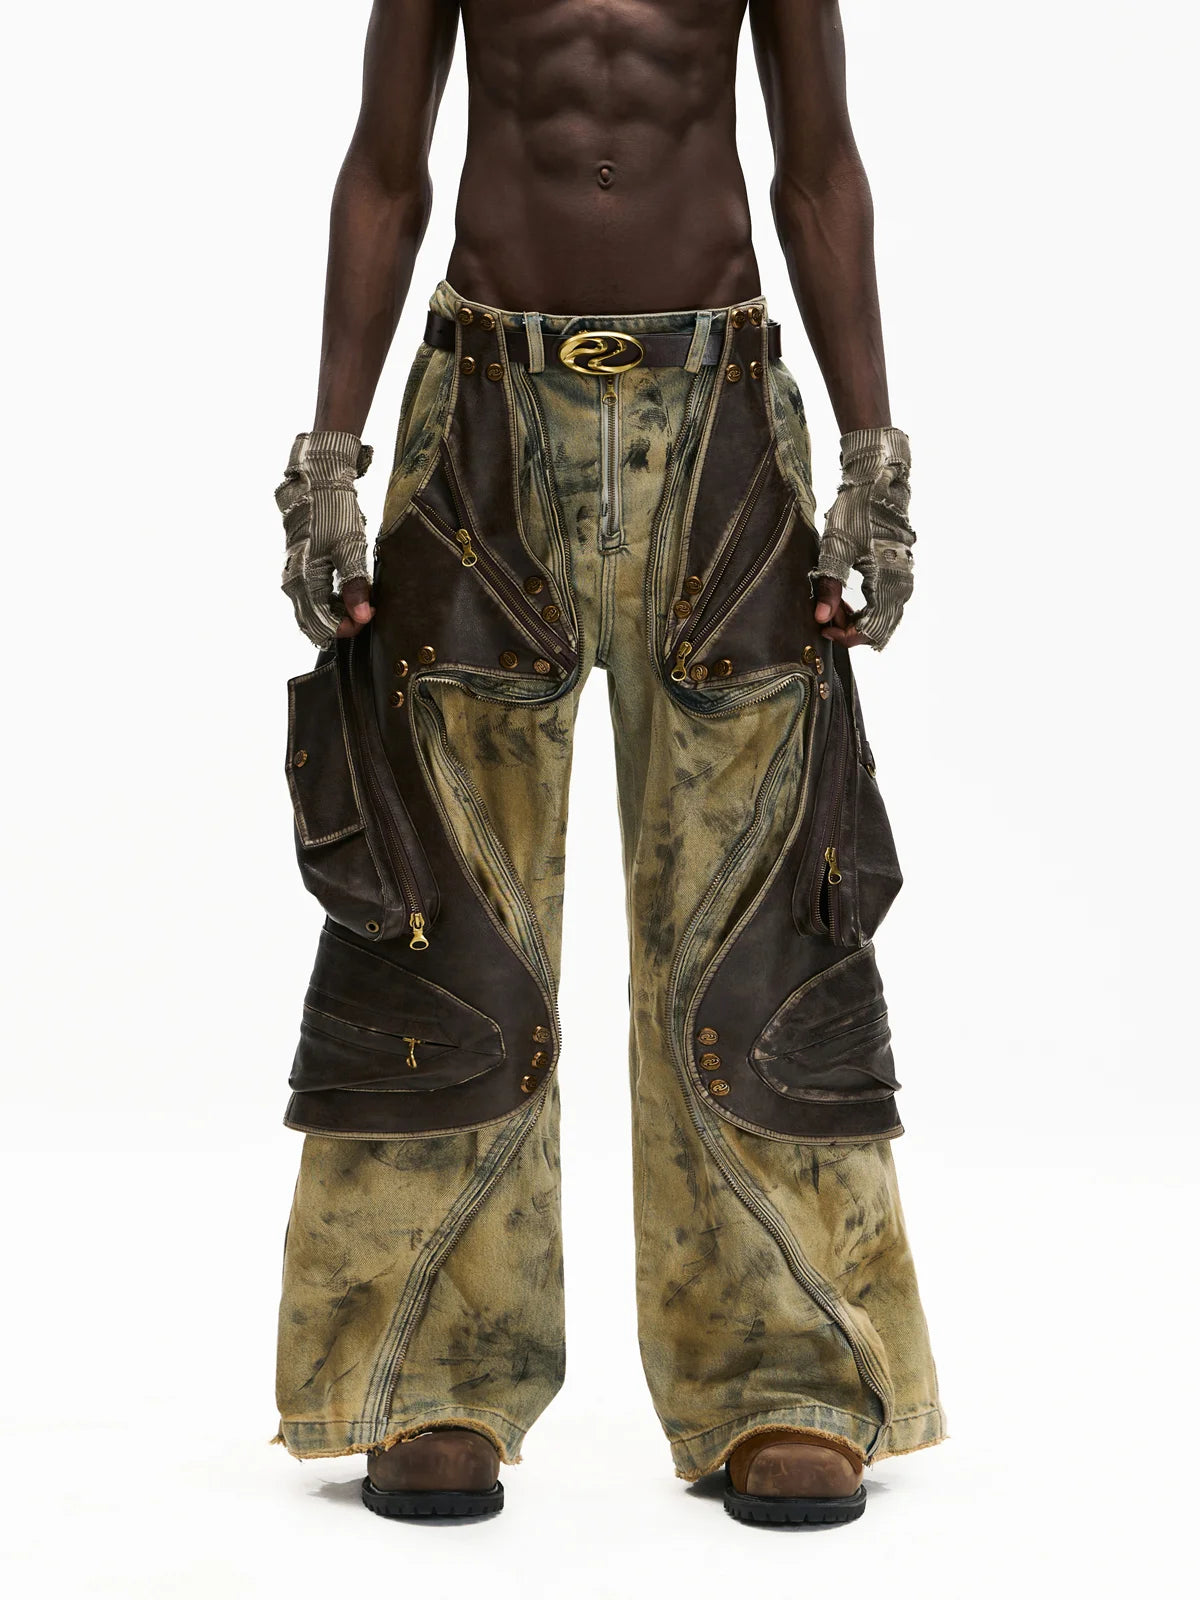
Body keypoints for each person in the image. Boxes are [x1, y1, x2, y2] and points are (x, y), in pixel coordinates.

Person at [272, 0, 943, 1526]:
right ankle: (430, 1374)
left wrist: (874, 459)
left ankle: (784, 1377)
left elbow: (819, 166)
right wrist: (327, 459)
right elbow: (386, 165)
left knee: (755, 905)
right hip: (480, 416)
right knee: (444, 906)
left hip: (721, 419)